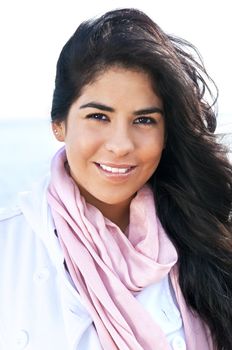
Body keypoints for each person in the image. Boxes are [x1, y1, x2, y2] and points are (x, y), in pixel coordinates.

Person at [0, 8, 231, 350]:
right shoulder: (10, 248)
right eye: (98, 116)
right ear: (59, 125)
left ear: (167, 132)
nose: (121, 145)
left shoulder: (204, 236)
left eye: (144, 121)